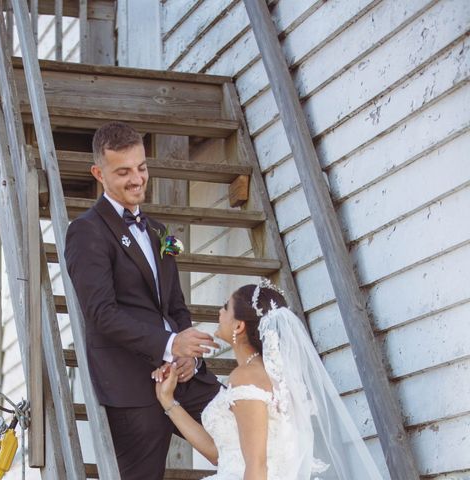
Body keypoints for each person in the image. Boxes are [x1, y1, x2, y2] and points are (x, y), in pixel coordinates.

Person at [64, 121, 222, 480]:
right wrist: (169, 343)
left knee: (251, 438)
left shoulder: (158, 231)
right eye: (123, 172)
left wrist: (186, 357)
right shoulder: (86, 231)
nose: (137, 179)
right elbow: (101, 314)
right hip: (130, 386)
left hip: (186, 378)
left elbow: (175, 306)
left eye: (142, 168)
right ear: (98, 174)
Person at [153, 278, 383, 480]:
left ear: (239, 326)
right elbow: (218, 453)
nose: (220, 312)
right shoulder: (268, 375)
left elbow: (257, 465)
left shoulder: (246, 377)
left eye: (225, 307)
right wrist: (168, 401)